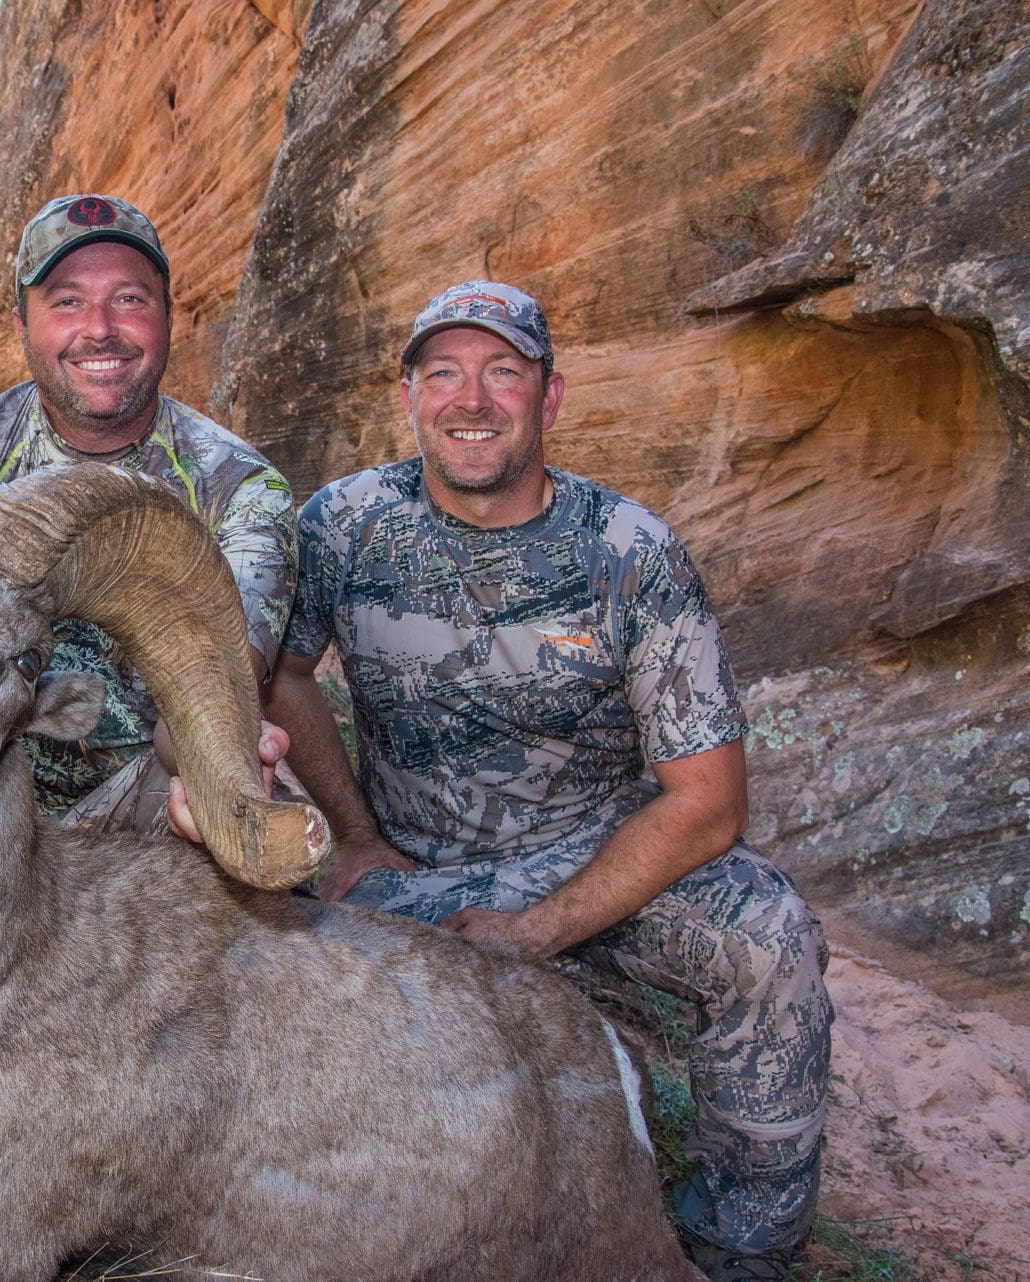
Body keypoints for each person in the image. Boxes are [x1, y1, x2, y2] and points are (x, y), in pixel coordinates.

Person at [265, 280, 833, 1282]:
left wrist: (544, 929)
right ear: (410, 398)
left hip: (595, 865)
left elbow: (710, 800)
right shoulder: (343, 523)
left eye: (502, 372)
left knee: (767, 933)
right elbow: (283, 675)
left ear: (550, 398)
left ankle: (743, 1241)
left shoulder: (630, 553)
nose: (470, 397)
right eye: (442, 372)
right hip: (416, 874)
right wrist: (355, 836)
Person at [0, 194, 297, 827]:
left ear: (168, 317)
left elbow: (217, 686)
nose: (99, 328)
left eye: (130, 299)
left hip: (139, 805)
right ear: (23, 327)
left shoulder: (238, 488)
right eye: (67, 301)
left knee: (243, 833)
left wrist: (207, 757)